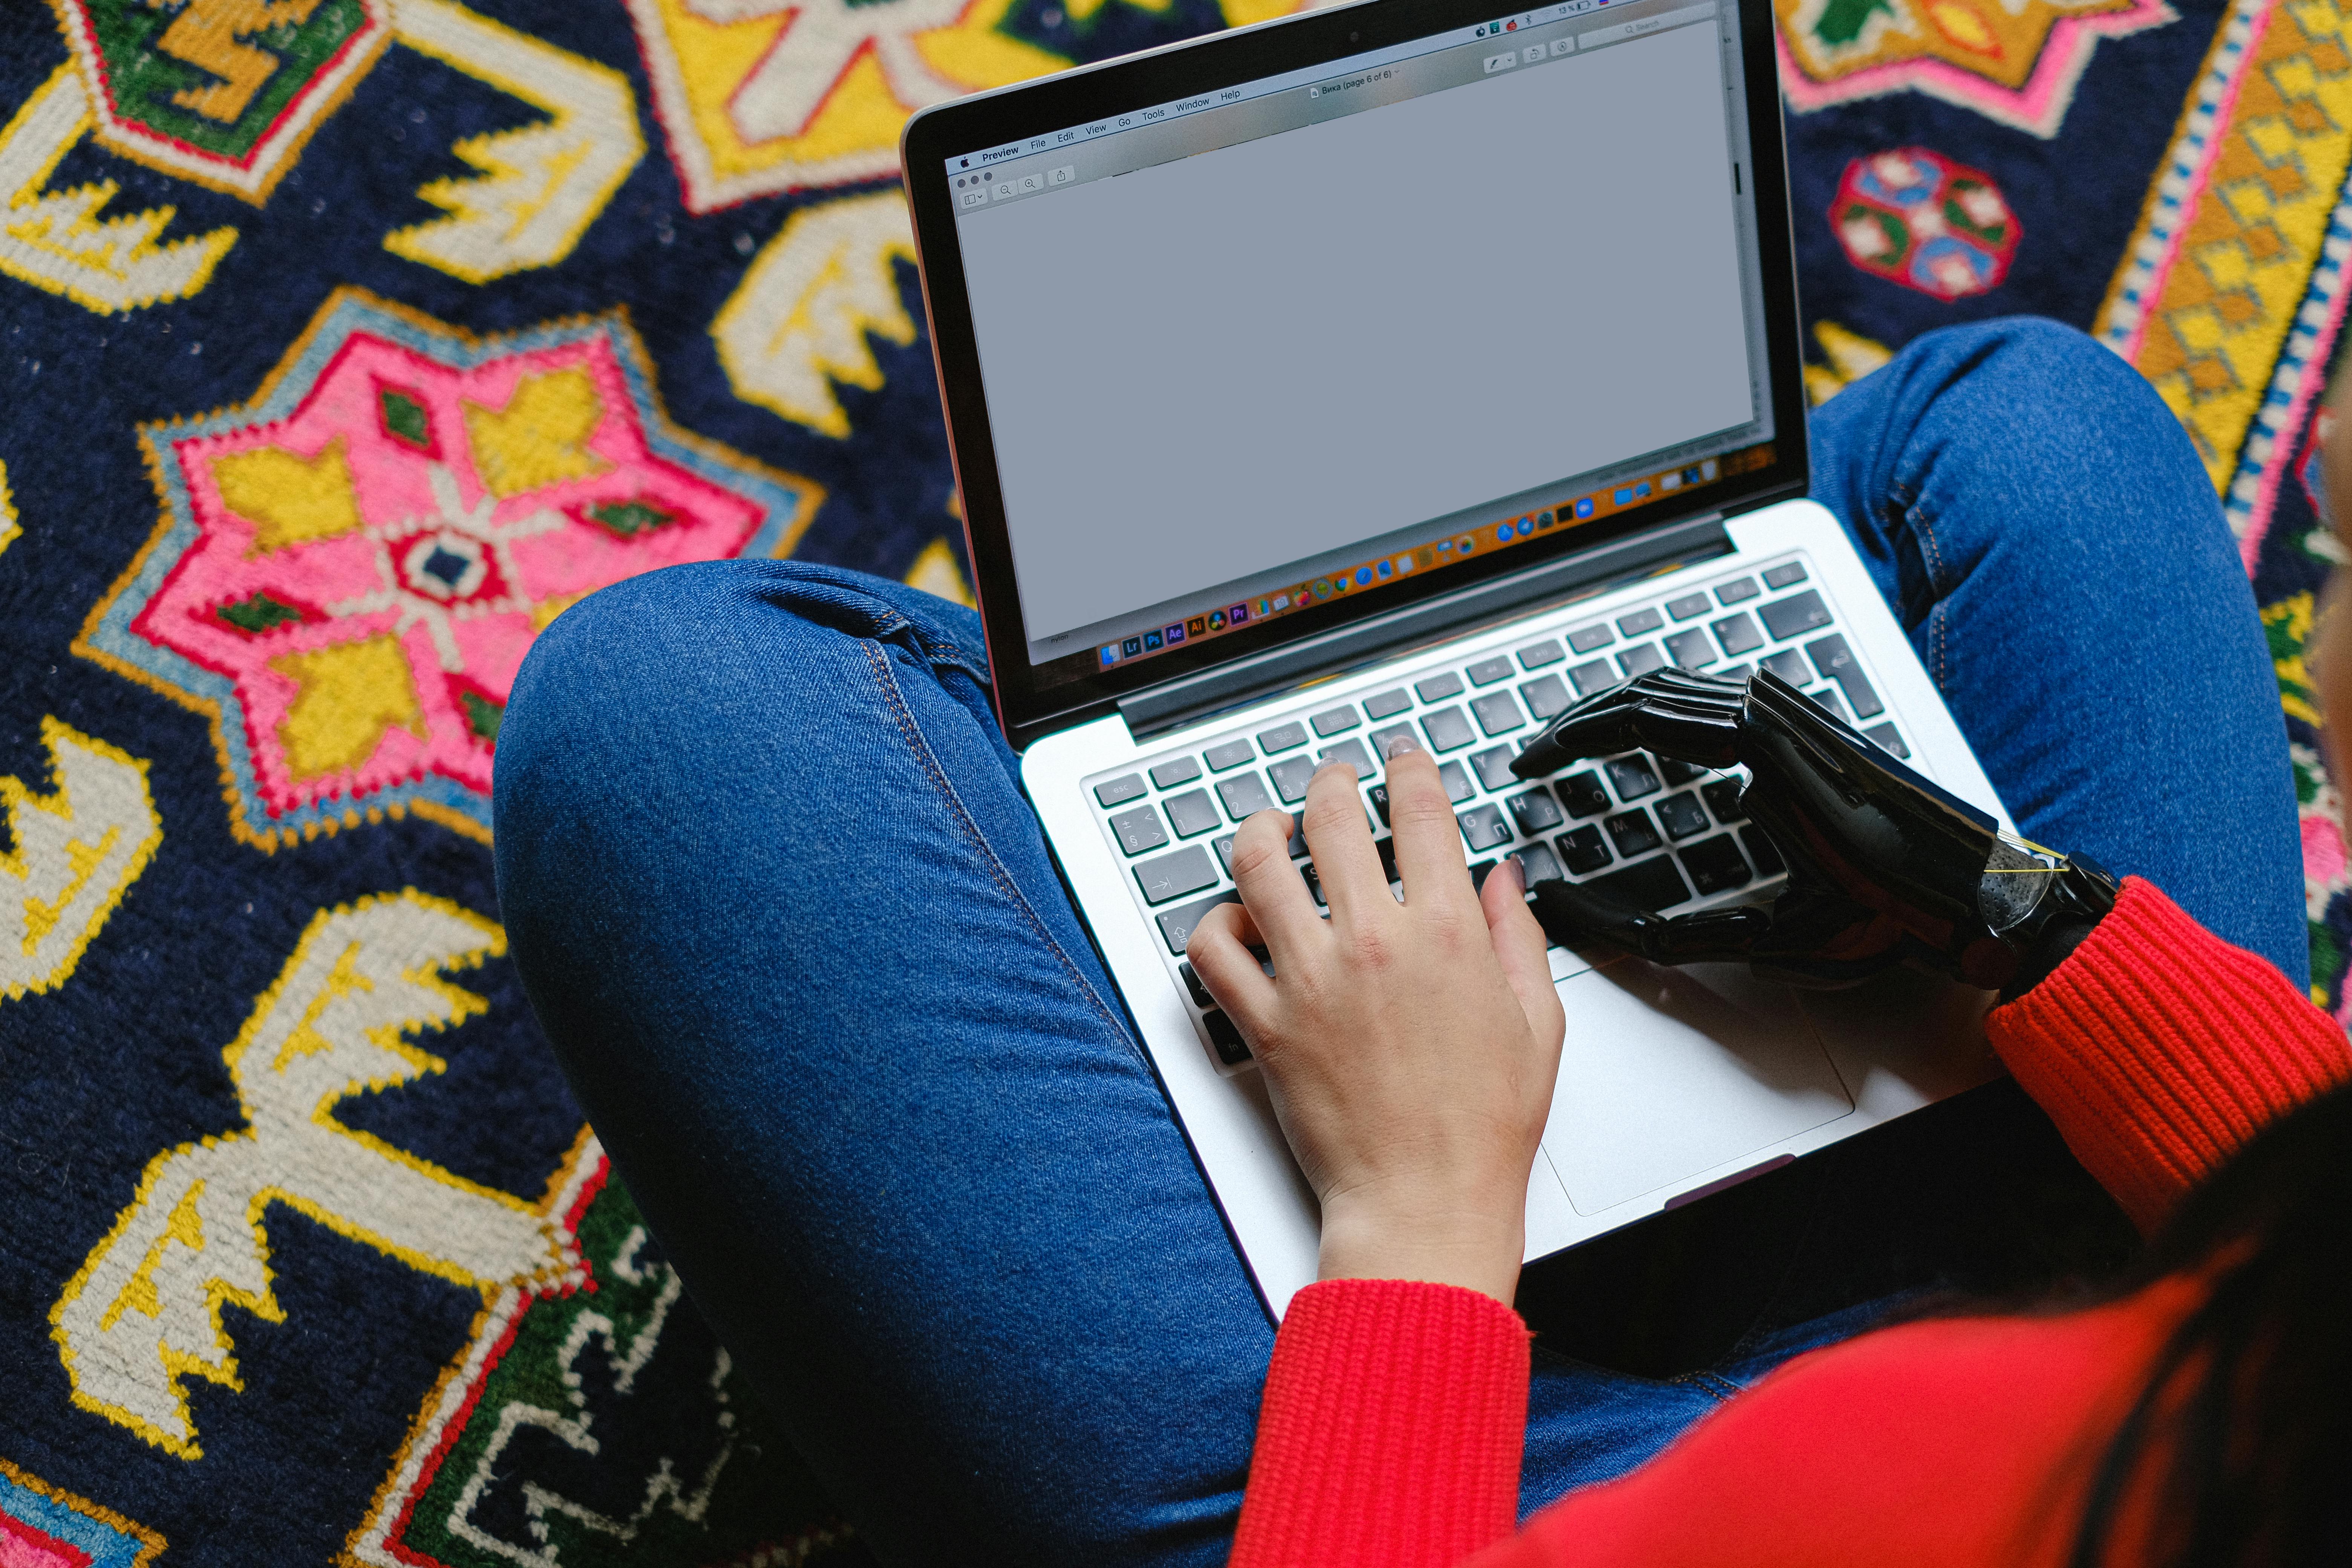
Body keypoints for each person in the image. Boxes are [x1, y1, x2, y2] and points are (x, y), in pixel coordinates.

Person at [490, 317, 2349, 1568]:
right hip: (2137, 1322)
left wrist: (1417, 1211)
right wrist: (2018, 917)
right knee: (2018, 408)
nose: (2322, 494)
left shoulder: (1878, 1486)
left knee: (663, 710)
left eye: (2343, 554)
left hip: (1577, 1497)